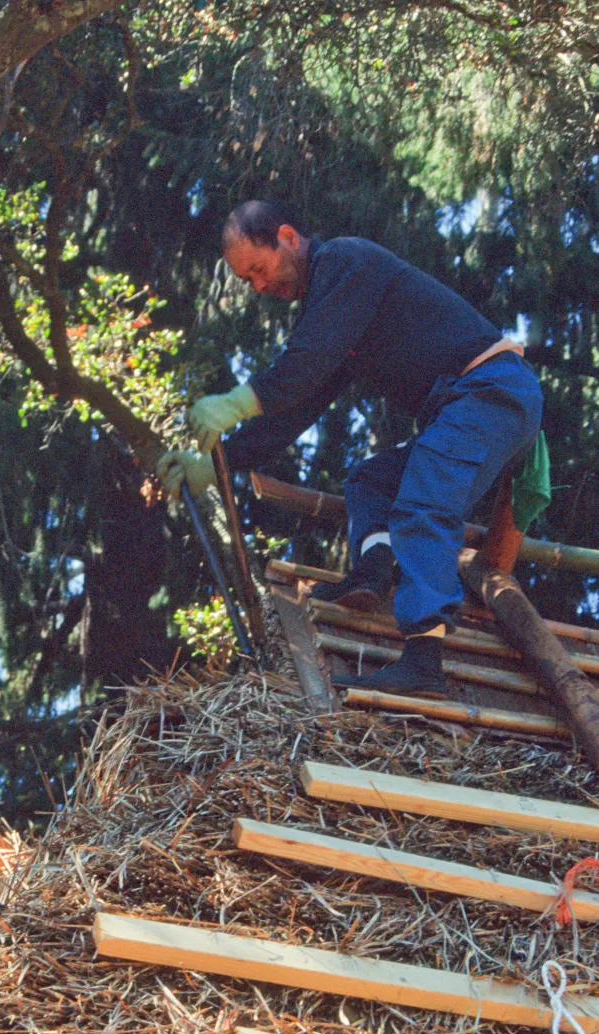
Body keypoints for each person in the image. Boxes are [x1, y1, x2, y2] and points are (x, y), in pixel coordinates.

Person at [157, 200, 545, 697]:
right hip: (467, 405)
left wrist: (236, 401)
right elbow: (296, 405)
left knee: (424, 501)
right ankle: (371, 572)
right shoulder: (339, 314)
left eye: (258, 268)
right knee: (373, 481)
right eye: (247, 281)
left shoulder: (345, 260)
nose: (259, 286)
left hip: (490, 391)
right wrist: (215, 464)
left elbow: (306, 360)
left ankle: (424, 661)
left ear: (288, 237)